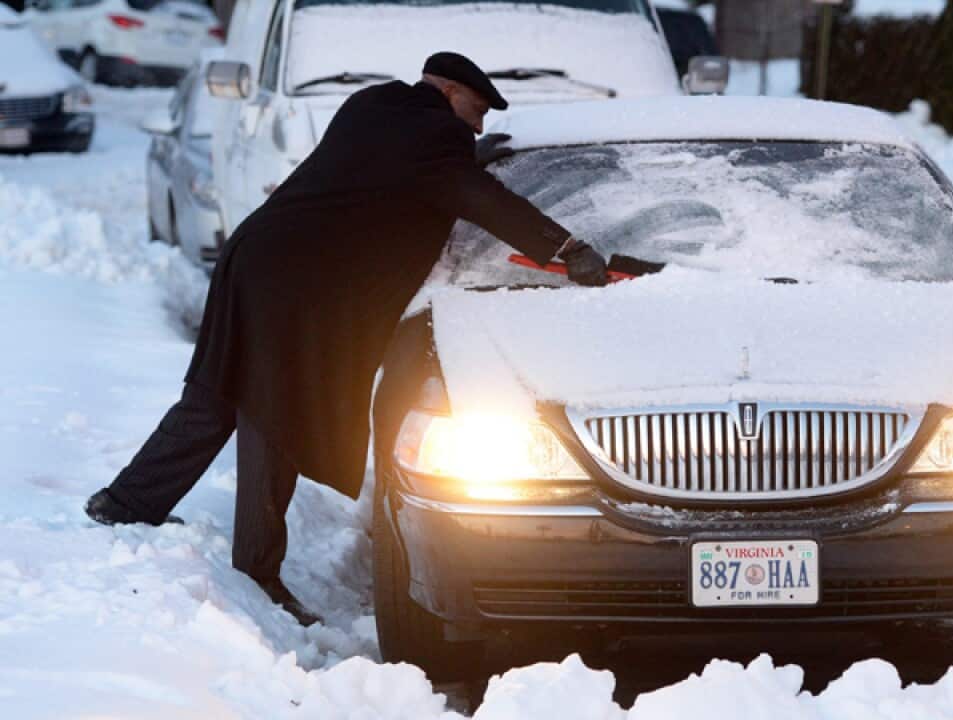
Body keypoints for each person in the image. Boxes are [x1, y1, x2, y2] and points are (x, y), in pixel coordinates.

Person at [84, 52, 608, 625]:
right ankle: (257, 574)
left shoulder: (372, 105)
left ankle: (126, 503)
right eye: (476, 109)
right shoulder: (436, 136)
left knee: (215, 394)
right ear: (450, 91)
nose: (477, 125)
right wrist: (565, 248)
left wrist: (466, 159)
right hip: (290, 287)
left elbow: (396, 172)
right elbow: (484, 201)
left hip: (254, 256)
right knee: (274, 411)